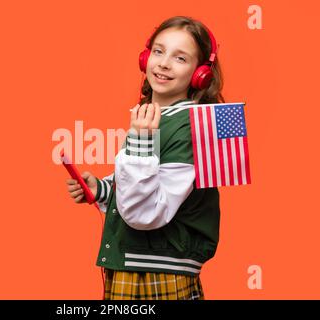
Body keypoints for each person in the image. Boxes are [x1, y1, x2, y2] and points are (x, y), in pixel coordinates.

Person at [66, 16, 225, 300]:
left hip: (157, 274)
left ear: (201, 73)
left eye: (180, 58)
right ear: (145, 58)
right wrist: (101, 189)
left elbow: (145, 213)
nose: (163, 63)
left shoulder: (190, 127)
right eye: (158, 51)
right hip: (134, 265)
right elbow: (147, 184)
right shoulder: (154, 118)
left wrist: (140, 140)